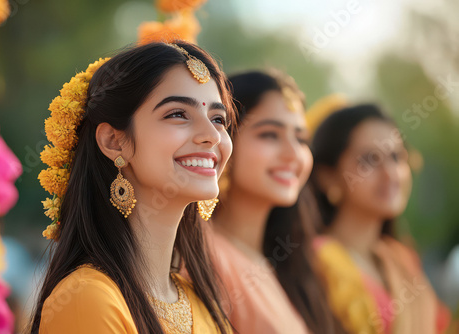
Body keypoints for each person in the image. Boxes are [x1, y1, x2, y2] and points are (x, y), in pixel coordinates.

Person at [29, 41, 235, 334]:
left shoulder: (199, 302)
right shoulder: (87, 299)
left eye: (218, 119)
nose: (211, 136)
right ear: (114, 142)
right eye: (177, 114)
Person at [206, 70, 344, 333]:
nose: (293, 154)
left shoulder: (293, 263)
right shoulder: (201, 254)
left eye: (301, 139)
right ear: (222, 140)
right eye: (270, 134)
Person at [310, 104, 451, 334]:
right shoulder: (318, 262)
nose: (391, 173)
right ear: (328, 177)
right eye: (370, 160)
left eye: (396, 157)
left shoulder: (401, 260)